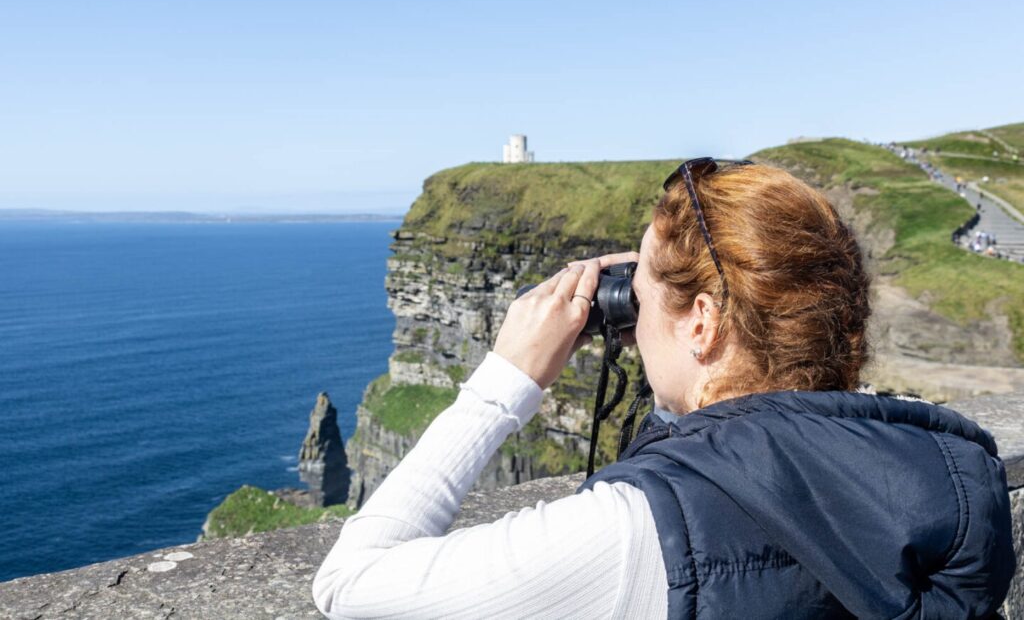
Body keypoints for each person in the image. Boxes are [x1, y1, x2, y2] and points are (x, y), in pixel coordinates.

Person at [312, 160, 1016, 618]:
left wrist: (504, 381)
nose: (628, 308)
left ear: (703, 320)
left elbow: (347, 584)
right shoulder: (944, 470)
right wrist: (665, 331)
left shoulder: (625, 535)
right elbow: (749, 440)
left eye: (638, 293)